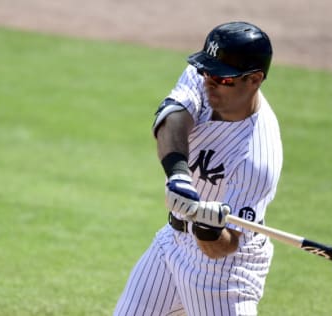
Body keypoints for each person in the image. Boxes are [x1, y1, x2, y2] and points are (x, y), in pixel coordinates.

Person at [114, 21, 283, 316]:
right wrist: (178, 174)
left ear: (254, 79)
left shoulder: (257, 158)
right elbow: (174, 119)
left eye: (224, 79)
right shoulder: (205, 74)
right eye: (207, 72)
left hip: (223, 274)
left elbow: (225, 246)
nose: (210, 82)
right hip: (171, 243)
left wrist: (207, 227)